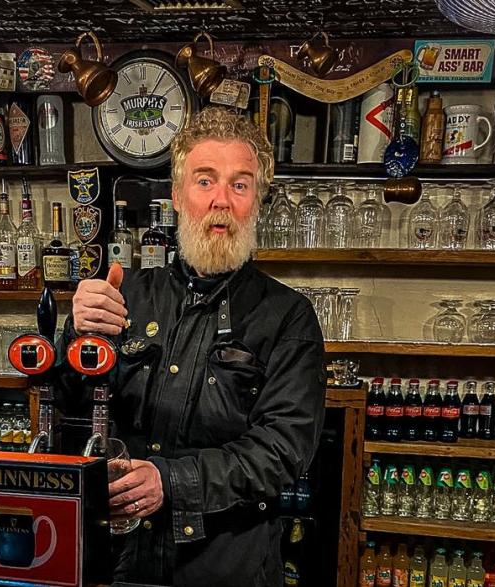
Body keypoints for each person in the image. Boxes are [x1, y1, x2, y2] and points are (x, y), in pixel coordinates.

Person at [61, 106, 325, 586]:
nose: (221, 200)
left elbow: (284, 450)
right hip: (118, 559)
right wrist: (77, 336)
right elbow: (73, 410)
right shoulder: (127, 296)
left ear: (257, 201)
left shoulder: (288, 316)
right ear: (178, 197)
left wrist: (169, 481)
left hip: (227, 568)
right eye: (205, 181)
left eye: (240, 184)